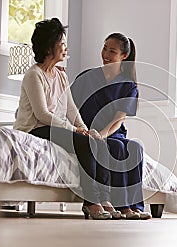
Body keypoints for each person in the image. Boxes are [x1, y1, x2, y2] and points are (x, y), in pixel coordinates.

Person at [13, 18, 122, 220]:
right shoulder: (33, 75)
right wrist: (75, 131)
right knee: (84, 143)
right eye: (62, 44)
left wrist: (84, 128)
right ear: (49, 47)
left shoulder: (61, 76)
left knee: (98, 141)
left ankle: (104, 199)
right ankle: (90, 202)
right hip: (35, 128)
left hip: (54, 127)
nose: (66, 47)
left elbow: (71, 109)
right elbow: (42, 114)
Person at [71, 33, 152, 219]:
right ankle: (122, 207)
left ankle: (135, 207)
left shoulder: (128, 85)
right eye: (105, 48)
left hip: (112, 132)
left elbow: (118, 119)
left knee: (135, 147)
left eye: (112, 51)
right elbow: (69, 106)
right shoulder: (86, 77)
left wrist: (103, 134)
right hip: (88, 131)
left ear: (123, 56)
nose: (106, 54)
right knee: (115, 147)